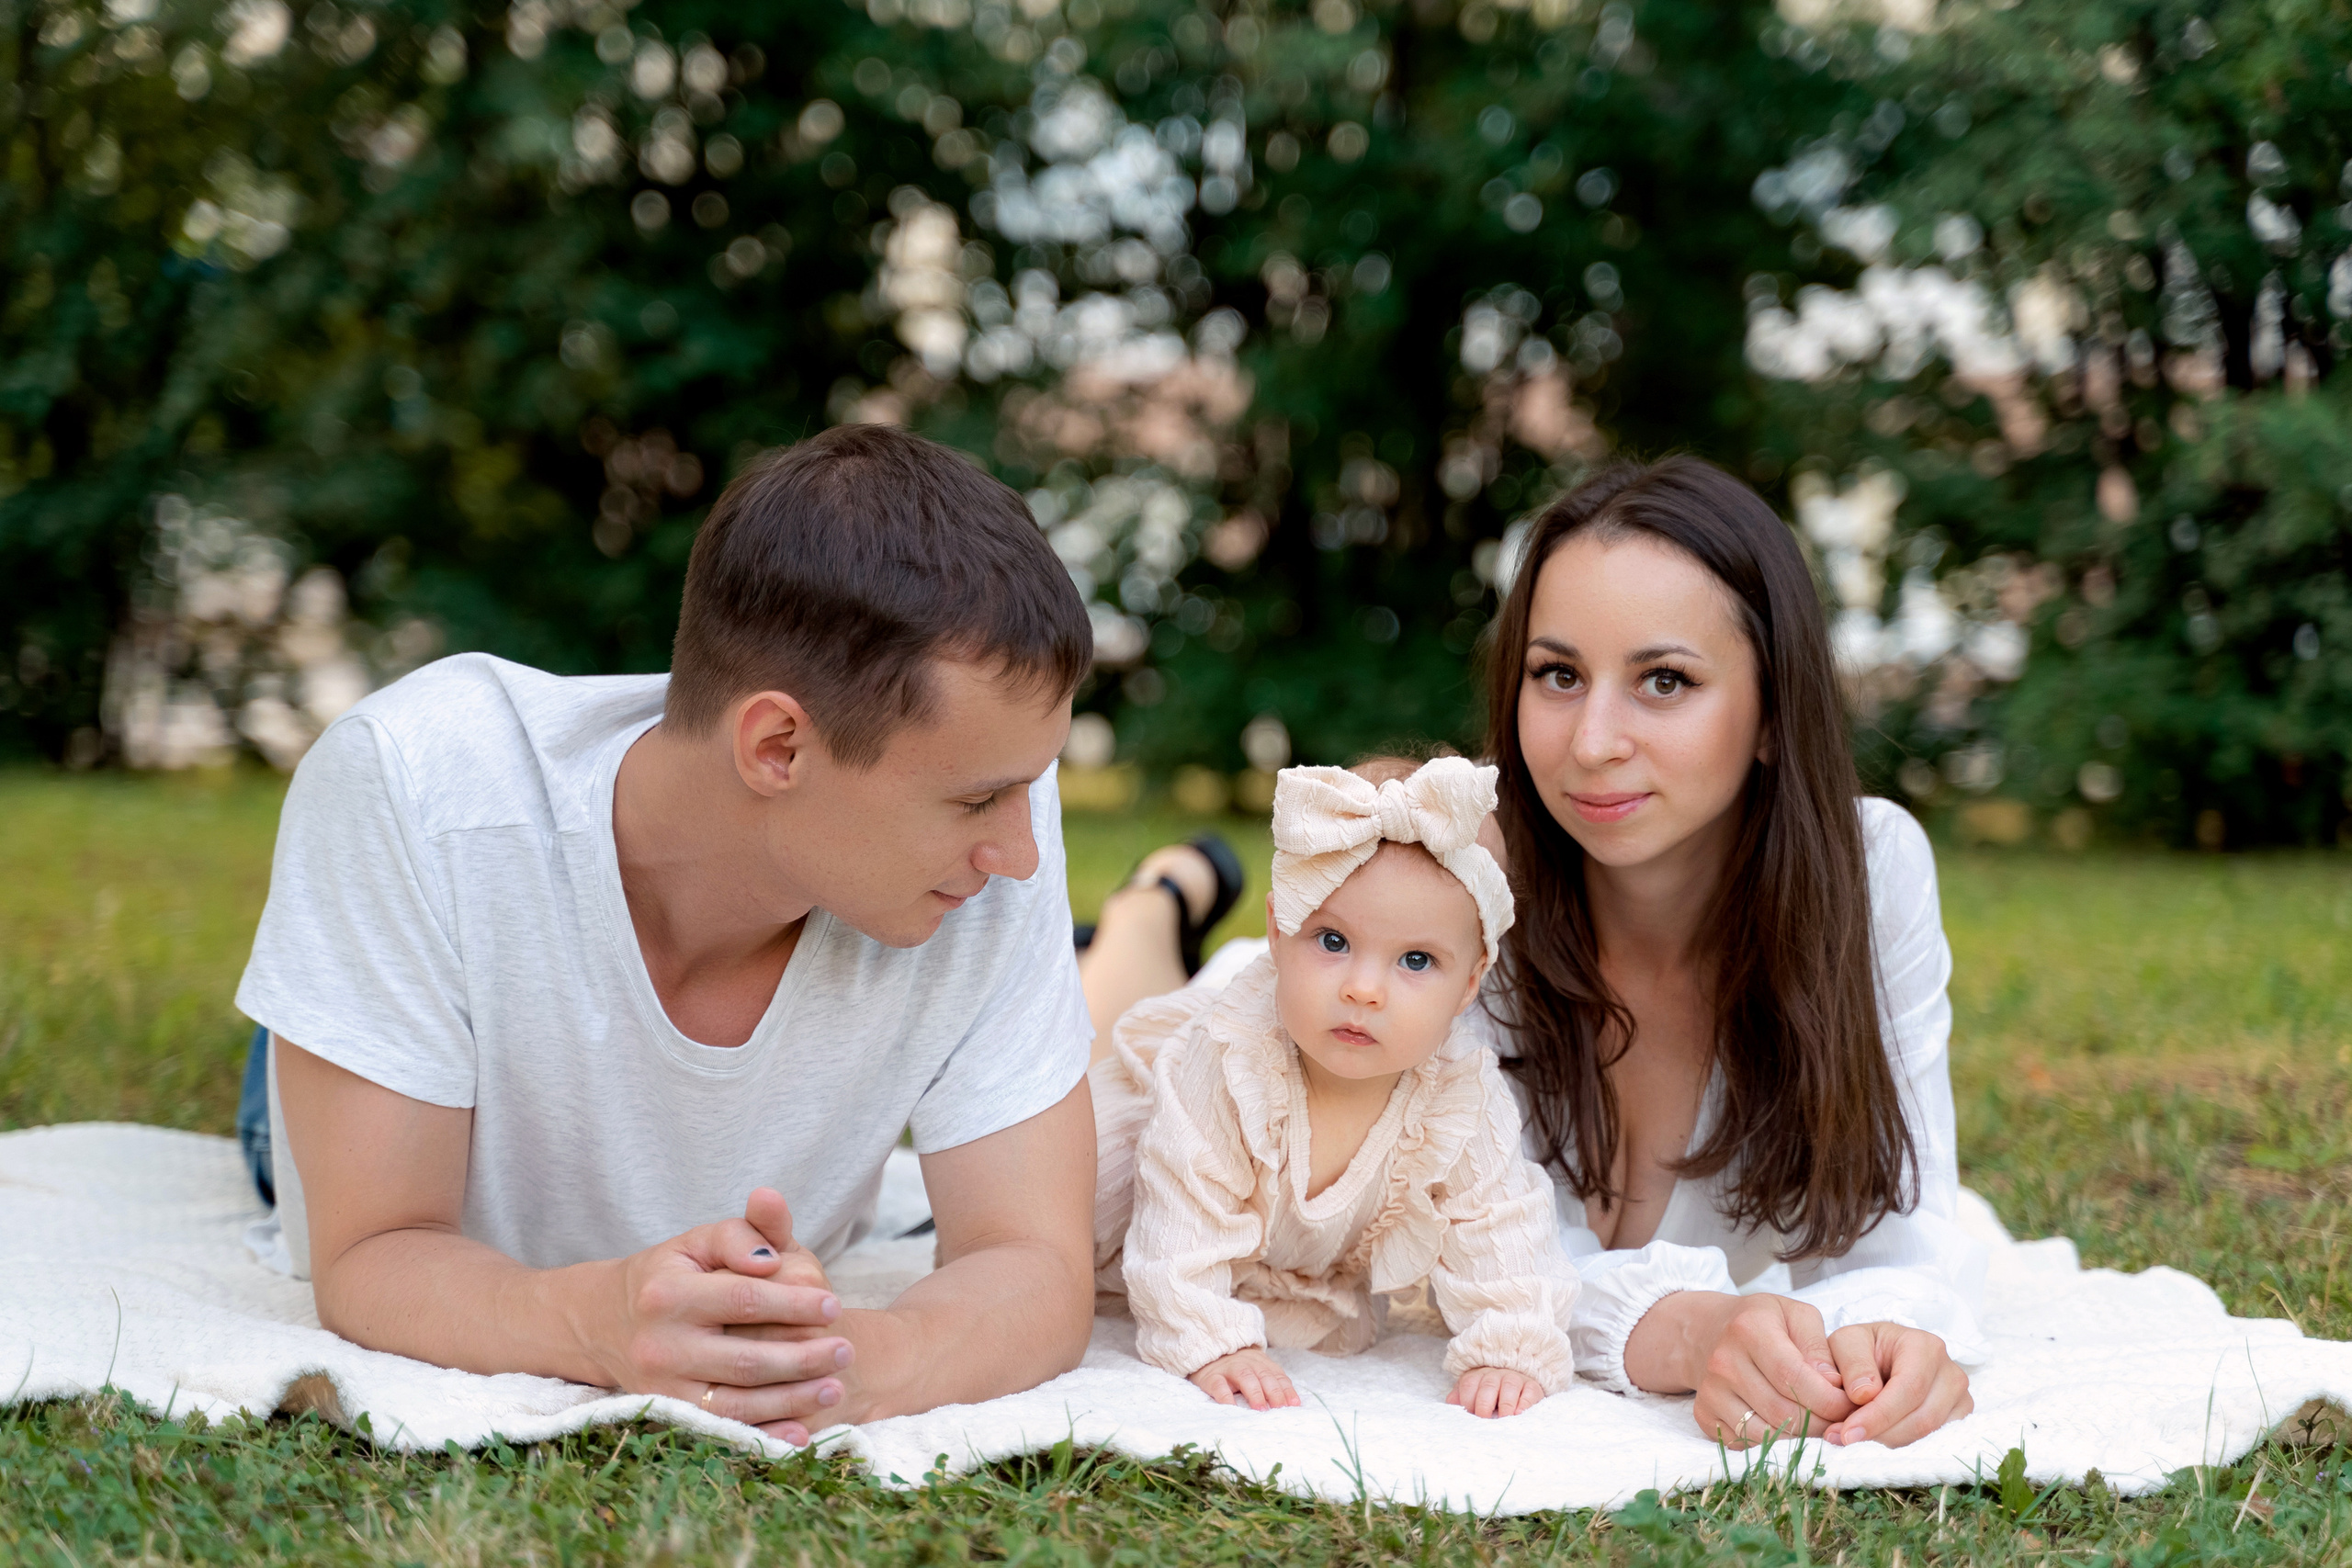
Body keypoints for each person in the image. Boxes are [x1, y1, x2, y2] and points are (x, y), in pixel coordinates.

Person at [1080, 456, 1982, 1451]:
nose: (1591, 742)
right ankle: (1159, 899)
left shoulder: (1867, 874)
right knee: (1111, 1039)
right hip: (1270, 1034)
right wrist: (1688, 1331)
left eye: (1665, 681)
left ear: (1773, 710)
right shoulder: (1464, 883)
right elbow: (1493, 1253)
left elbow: (1903, 1238)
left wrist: (1878, 1347)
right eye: (1558, 675)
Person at [233, 424, 1101, 1445]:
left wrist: (857, 1362)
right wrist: (595, 1324)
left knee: (1103, 995)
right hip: (429, 1041)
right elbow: (370, 1251)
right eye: (978, 801)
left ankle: (1145, 918)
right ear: (777, 746)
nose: (1020, 852)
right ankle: (1153, 911)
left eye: (1025, 791)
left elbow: (1037, 1264)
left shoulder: (994, 813)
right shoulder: (418, 794)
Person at [1091, 757, 1577, 1418]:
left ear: (1470, 983)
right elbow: (1182, 1205)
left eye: (1416, 960)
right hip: (1120, 1213)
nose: (1363, 988)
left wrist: (1510, 1345)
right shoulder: (1232, 1060)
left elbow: (1500, 1222)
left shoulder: (1459, 1095)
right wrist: (1206, 1338)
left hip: (1266, 1260)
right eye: (1332, 940)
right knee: (1064, 1184)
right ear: (1278, 931)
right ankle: (1152, 900)